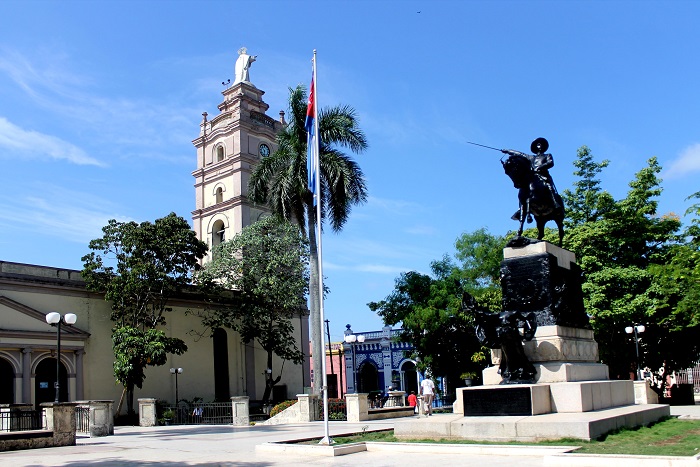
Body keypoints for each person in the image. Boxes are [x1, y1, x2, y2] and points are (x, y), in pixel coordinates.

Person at [502, 137, 562, 219]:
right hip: (533, 177)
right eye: (538, 144)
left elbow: (550, 163)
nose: (539, 146)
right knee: (522, 190)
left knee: (549, 186)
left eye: (541, 144)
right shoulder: (531, 157)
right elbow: (520, 154)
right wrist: (509, 151)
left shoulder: (547, 155)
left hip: (543, 176)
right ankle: (521, 209)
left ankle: (556, 203)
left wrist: (540, 167)